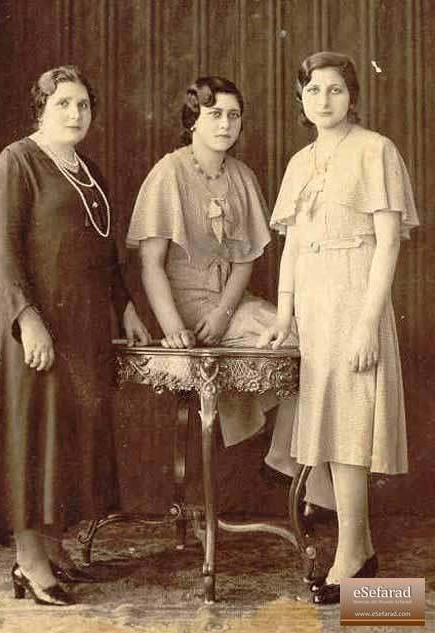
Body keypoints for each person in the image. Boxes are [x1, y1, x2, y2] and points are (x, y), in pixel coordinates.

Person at [0, 65, 150, 606]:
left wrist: (126, 307)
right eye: (63, 103)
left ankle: (54, 548)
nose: (75, 113)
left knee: (65, 441)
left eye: (84, 104)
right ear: (40, 108)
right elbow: (1, 250)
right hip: (36, 327)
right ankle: (29, 562)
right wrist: (28, 318)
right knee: (29, 439)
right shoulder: (14, 163)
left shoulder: (87, 169)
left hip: (84, 327)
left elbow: (104, 254)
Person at [126, 75, 335, 513]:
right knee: (291, 341)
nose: (225, 124)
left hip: (228, 305)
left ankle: (285, 458)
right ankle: (287, 463)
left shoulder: (239, 176)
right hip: (183, 306)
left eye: (233, 115)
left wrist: (224, 312)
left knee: (302, 338)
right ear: (193, 120)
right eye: (214, 114)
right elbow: (150, 265)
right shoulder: (169, 172)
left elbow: (245, 260)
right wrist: (174, 328)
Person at [258, 51, 419, 604]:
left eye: (335, 90)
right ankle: (362, 548)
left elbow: (390, 240)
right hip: (313, 304)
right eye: (313, 91)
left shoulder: (375, 151)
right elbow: (295, 244)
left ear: (352, 96)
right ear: (300, 100)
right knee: (327, 423)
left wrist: (367, 324)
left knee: (352, 425)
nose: (323, 100)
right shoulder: (300, 162)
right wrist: (284, 315)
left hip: (356, 297)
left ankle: (350, 552)